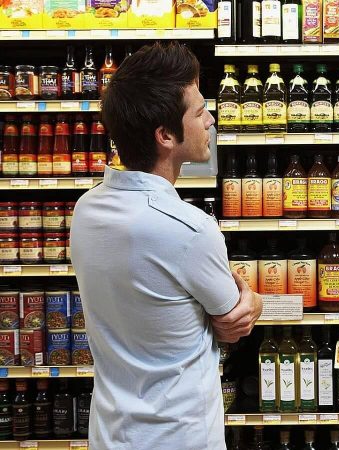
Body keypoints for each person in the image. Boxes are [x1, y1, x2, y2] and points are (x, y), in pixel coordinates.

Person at [69, 42, 262, 449]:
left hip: (111, 435)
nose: (210, 120)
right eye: (199, 112)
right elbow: (234, 322)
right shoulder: (189, 229)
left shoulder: (86, 210)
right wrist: (252, 298)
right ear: (165, 135)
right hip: (180, 436)